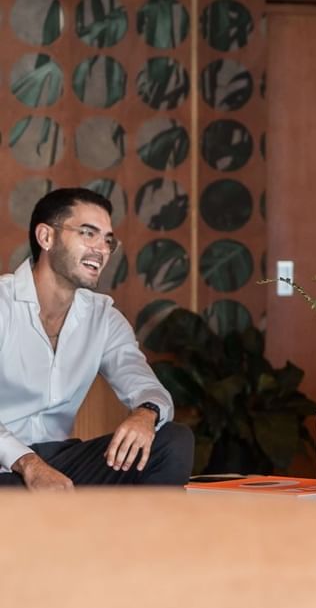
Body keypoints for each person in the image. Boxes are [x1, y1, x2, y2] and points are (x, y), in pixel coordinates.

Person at [0, 188, 193, 491]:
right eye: (88, 234)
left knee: (173, 441)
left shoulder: (102, 317)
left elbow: (145, 385)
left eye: (107, 240)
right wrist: (28, 464)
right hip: (7, 463)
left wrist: (146, 412)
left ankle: (142, 538)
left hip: (60, 462)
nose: (101, 249)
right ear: (46, 237)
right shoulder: (2, 303)